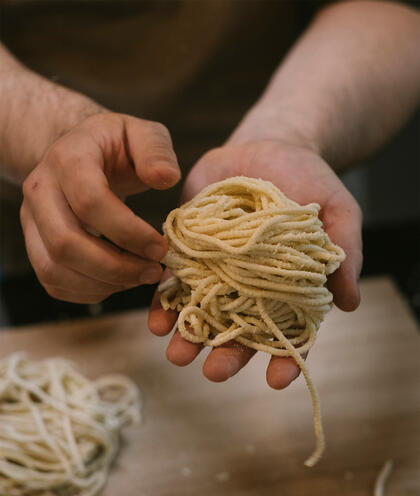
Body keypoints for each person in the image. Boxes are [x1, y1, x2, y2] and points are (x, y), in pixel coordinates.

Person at [0, 1, 419, 389]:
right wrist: (52, 130)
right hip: (53, 225)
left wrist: (288, 131)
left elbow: (390, 9)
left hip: (300, 147)